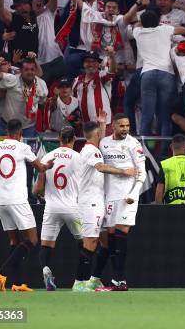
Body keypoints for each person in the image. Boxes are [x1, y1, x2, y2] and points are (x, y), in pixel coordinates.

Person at [0, 118, 54, 292]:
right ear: (20, 134)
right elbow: (40, 167)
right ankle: (1, 272)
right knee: (32, 239)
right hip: (16, 199)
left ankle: (17, 284)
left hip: (1, 200)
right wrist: (49, 165)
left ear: (6, 133)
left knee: (14, 240)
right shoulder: (22, 147)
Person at [75, 119, 138, 292]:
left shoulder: (93, 147)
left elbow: (99, 136)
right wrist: (124, 171)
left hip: (99, 201)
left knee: (105, 243)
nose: (103, 134)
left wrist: (102, 124)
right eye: (100, 132)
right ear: (96, 135)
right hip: (90, 203)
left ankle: (94, 279)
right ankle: (79, 282)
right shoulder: (91, 150)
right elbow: (101, 167)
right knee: (91, 241)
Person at [96, 113, 145, 291]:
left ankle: (120, 280)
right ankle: (112, 280)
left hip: (127, 197)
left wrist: (134, 193)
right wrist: (101, 125)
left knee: (121, 233)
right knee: (110, 240)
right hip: (109, 196)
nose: (125, 129)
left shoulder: (133, 144)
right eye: (122, 126)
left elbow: (142, 172)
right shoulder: (105, 143)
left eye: (127, 126)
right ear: (114, 127)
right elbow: (98, 153)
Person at [32, 127, 83, 291]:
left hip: (51, 207)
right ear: (73, 139)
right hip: (72, 207)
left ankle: (46, 270)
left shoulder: (47, 157)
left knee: (46, 245)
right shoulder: (78, 157)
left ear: (59, 139)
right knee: (85, 244)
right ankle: (81, 279)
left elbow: (36, 191)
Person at [130, 8, 185, 137]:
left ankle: (146, 152)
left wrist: (144, 21)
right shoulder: (165, 29)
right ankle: (163, 151)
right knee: (165, 114)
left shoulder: (138, 32)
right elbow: (184, 30)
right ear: (158, 21)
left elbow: (136, 24)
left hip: (147, 74)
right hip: (166, 73)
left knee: (147, 114)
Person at [0, 56, 48, 137]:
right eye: (26, 69)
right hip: (7, 125)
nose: (30, 72)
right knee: (0, 149)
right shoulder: (13, 79)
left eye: (32, 69)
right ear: (21, 70)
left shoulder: (41, 84)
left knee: (29, 149)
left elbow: (42, 103)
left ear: (35, 70)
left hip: (28, 127)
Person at [72, 49, 117, 126]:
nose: (91, 64)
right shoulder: (77, 80)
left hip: (104, 125)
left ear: (98, 64)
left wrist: (112, 56)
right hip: (86, 127)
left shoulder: (101, 76)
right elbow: (75, 102)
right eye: (88, 61)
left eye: (94, 61)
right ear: (83, 64)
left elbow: (112, 71)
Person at [155, 134, 185, 205]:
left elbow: (159, 193)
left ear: (171, 146)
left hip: (171, 211)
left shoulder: (165, 164)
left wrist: (161, 213)